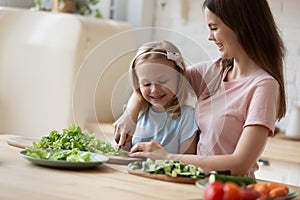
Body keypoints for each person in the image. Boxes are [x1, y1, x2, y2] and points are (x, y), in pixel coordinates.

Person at [114, 0, 286, 178]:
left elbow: (240, 164)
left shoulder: (264, 86)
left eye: (214, 28)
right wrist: (130, 114)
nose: (210, 37)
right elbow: (156, 81)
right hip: (197, 185)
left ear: (239, 25)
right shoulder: (214, 71)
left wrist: (167, 157)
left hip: (231, 191)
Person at [119, 40, 198, 154]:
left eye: (162, 81)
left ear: (179, 77)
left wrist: (163, 156)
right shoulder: (137, 115)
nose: (154, 90)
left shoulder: (187, 117)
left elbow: (188, 162)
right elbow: (124, 154)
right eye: (146, 84)